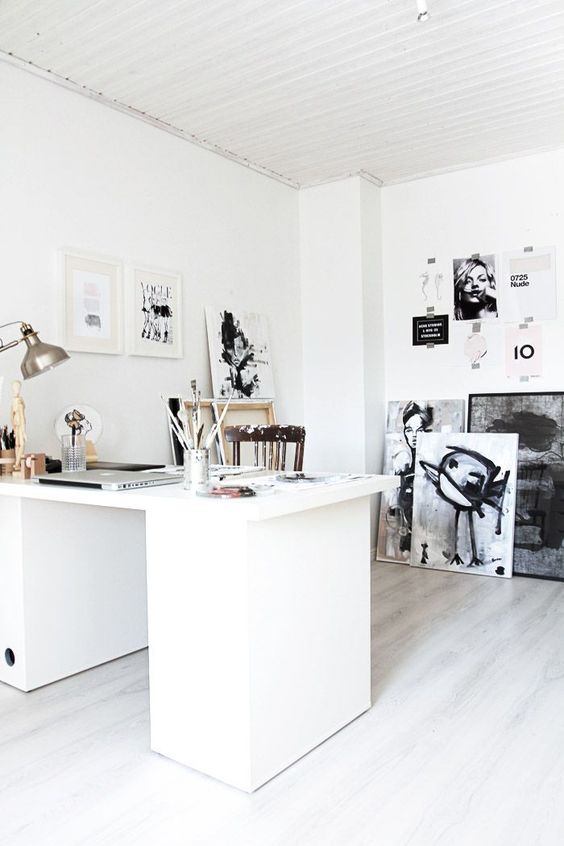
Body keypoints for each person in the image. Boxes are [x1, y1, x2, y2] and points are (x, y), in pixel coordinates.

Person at [391, 401, 433, 553]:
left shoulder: (430, 460)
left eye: (419, 430)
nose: (414, 436)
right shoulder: (403, 459)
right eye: (409, 430)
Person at [11, 380, 27, 472]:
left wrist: (13, 424)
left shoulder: (14, 400)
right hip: (20, 425)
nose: (17, 389)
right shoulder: (19, 401)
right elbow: (22, 416)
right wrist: (24, 431)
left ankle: (17, 464)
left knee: (17, 445)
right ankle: (17, 464)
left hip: (16, 424)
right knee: (22, 444)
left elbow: (11, 414)